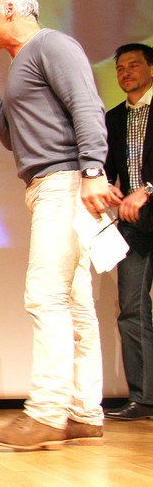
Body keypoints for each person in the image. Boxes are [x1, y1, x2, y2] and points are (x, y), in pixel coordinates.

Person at [0, 0, 121, 450]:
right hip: (48, 184)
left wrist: (92, 169)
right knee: (75, 303)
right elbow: (15, 139)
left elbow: (87, 106)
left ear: (12, 9)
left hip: (65, 182)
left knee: (45, 296)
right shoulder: (20, 64)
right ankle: (83, 412)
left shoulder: (52, 45)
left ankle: (46, 413)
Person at [103, 43, 153, 421]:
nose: (125, 73)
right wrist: (107, 189)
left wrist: (146, 190)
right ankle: (143, 397)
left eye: (133, 66)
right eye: (120, 69)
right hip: (133, 226)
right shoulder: (114, 117)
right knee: (131, 309)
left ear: (150, 69)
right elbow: (106, 169)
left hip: (147, 203)